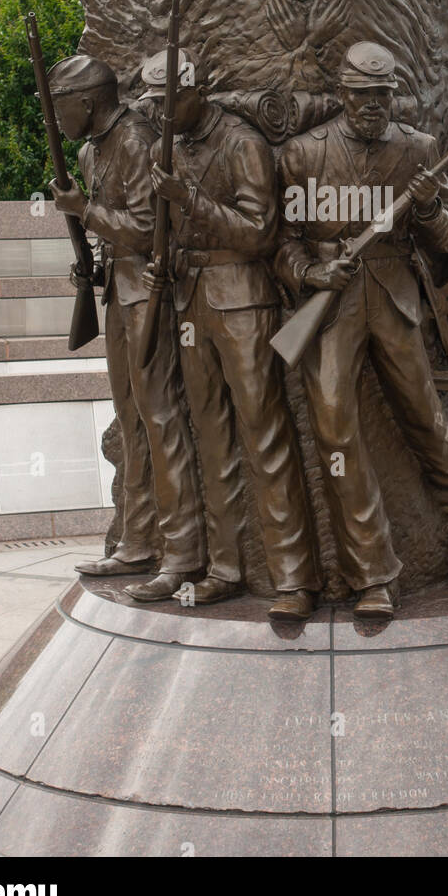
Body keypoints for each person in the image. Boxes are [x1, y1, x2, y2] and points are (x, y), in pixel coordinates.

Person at [275, 42, 448, 619]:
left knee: (426, 417)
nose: (373, 106)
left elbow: (443, 233)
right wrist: (313, 271)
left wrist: (423, 209)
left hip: (395, 294)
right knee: (336, 432)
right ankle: (374, 574)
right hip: (332, 302)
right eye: (363, 96)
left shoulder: (418, 149)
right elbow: (283, 246)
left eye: (383, 96)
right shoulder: (300, 155)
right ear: (343, 94)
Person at [141, 51, 322, 620]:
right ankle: (225, 567)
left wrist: (188, 199)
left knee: (266, 437)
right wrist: (162, 260)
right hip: (190, 300)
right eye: (153, 106)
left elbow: (260, 232)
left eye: (169, 102)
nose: (161, 115)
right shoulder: (160, 148)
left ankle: (295, 578)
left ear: (197, 92)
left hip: (243, 299)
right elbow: (166, 231)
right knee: (211, 439)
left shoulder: (242, 143)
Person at [46, 54, 204, 602]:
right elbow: (115, 233)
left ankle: (183, 552)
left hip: (151, 298)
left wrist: (84, 213)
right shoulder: (91, 153)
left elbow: (147, 230)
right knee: (132, 422)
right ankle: (137, 542)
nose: (58, 120)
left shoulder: (136, 141)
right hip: (118, 292)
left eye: (60, 106)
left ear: (87, 101)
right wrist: (88, 260)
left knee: (161, 419)